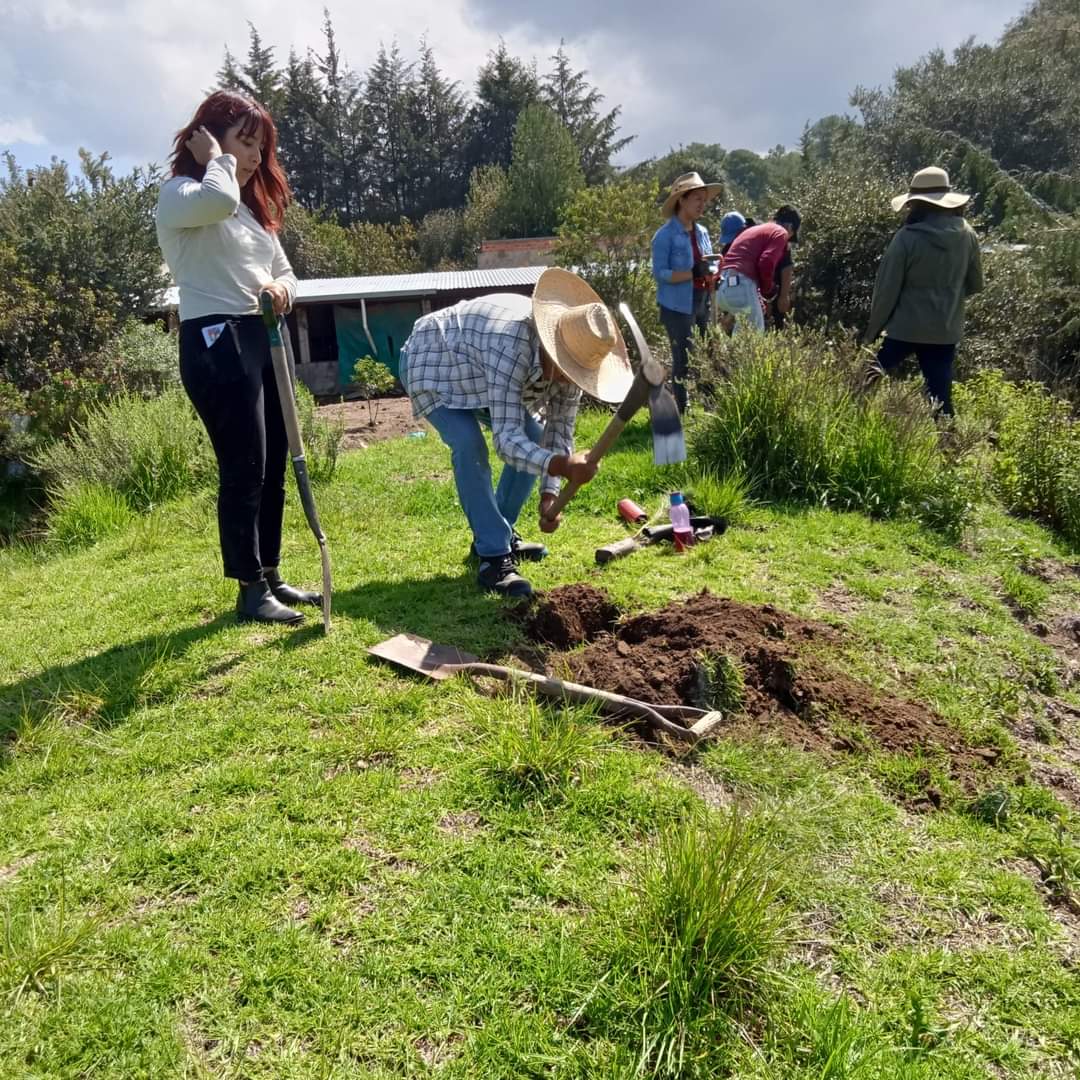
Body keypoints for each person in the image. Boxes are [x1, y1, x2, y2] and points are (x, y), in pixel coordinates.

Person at [156, 90, 321, 626]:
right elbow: (218, 201)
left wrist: (280, 289)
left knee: (272, 463)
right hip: (214, 341)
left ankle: (269, 573)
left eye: (260, 146)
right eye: (245, 143)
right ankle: (249, 591)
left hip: (261, 337)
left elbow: (287, 272)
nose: (254, 156)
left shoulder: (255, 218)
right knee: (244, 465)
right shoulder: (181, 194)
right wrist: (215, 161)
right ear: (209, 137)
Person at [399, 268, 633, 599]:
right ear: (554, 348)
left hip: (477, 374)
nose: (572, 379)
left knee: (535, 435)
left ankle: (498, 536)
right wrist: (563, 467)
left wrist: (549, 496)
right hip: (433, 363)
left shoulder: (578, 358)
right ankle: (494, 559)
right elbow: (507, 442)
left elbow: (558, 432)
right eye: (569, 370)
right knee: (469, 445)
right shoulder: (510, 341)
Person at [864, 167, 984, 417]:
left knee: (866, 378)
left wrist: (871, 332)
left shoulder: (906, 238)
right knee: (940, 398)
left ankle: (847, 418)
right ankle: (949, 447)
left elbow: (886, 290)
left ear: (916, 204)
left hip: (905, 329)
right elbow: (975, 284)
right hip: (945, 330)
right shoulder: (968, 235)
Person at [651, 172, 723, 412]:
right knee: (683, 356)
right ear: (682, 200)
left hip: (703, 299)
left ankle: (710, 406)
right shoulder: (664, 236)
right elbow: (661, 273)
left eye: (705, 199)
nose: (703, 205)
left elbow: (708, 264)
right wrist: (693, 272)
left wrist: (712, 275)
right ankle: (683, 408)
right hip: (676, 305)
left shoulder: (702, 232)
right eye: (697, 199)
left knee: (707, 352)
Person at [716, 206, 801, 333]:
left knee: (743, 335)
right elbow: (766, 263)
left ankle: (729, 353)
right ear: (789, 228)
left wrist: (758, 295)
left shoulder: (755, 230)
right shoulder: (780, 232)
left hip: (722, 288)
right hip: (741, 284)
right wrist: (768, 290)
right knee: (753, 336)